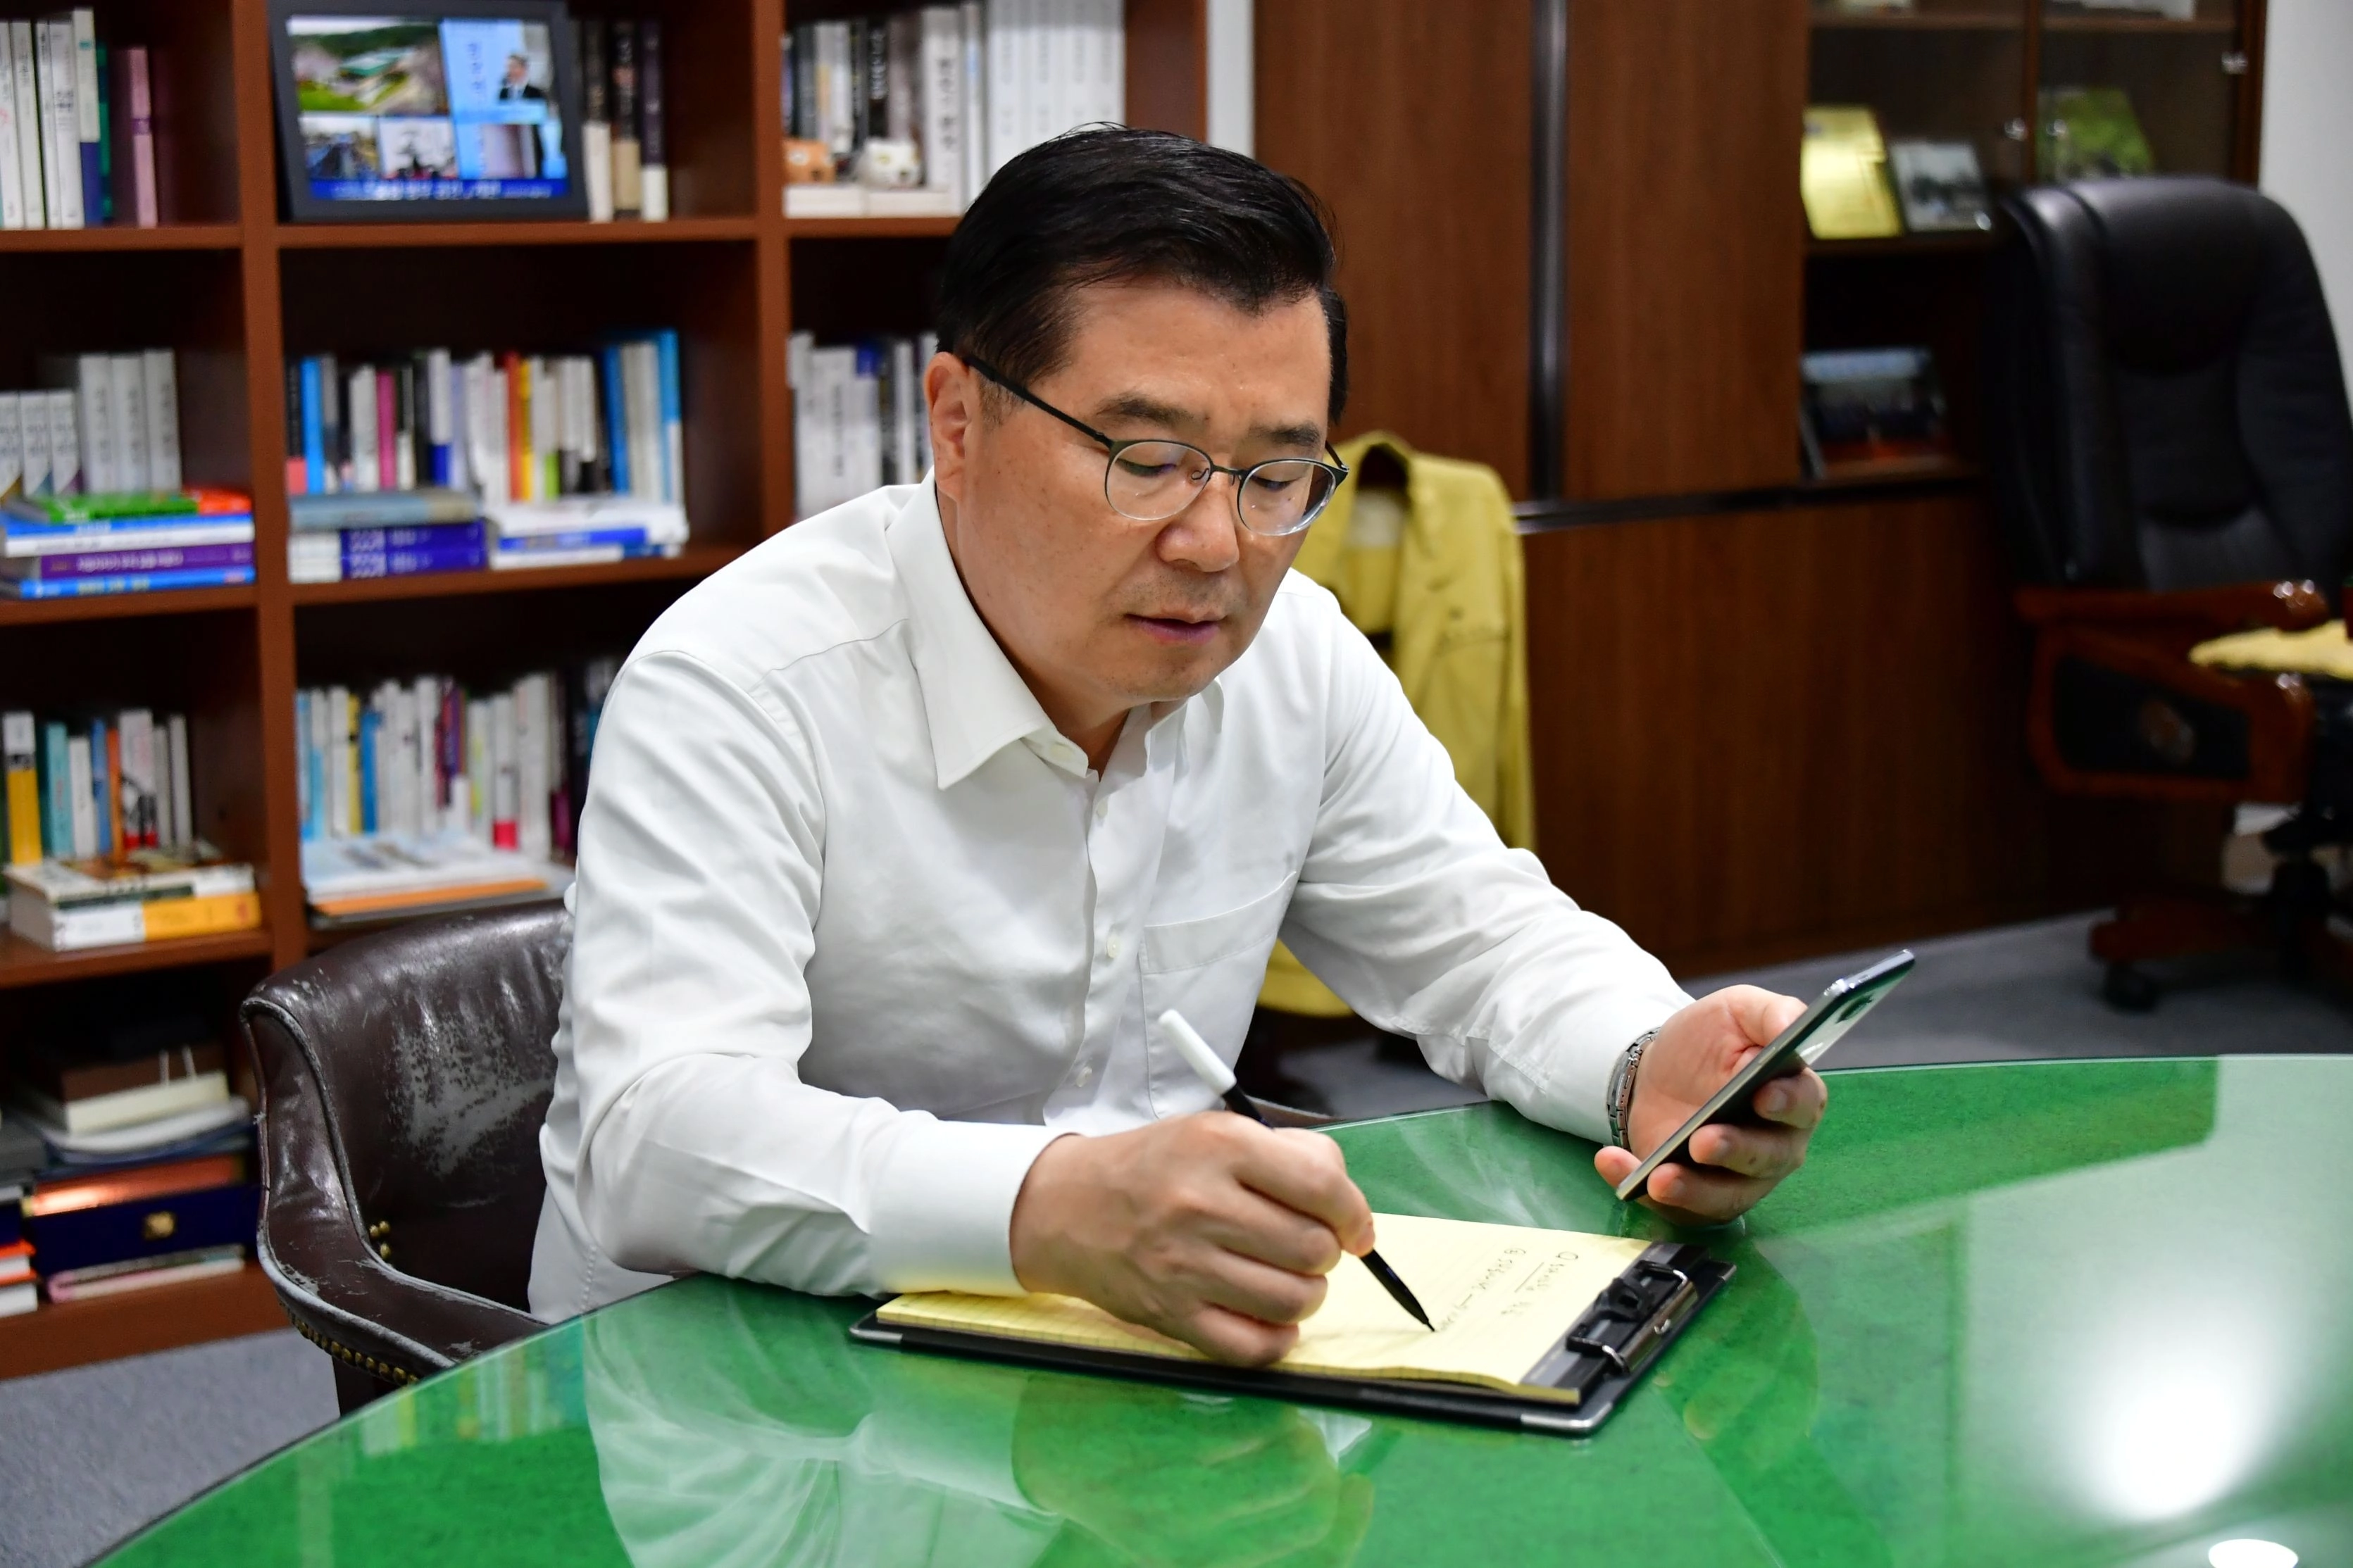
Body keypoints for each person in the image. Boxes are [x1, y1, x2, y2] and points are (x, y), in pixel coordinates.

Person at [529, 127, 1827, 1365]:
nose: (1216, 545)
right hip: (729, 1397)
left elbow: (1483, 945)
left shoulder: (1290, 654)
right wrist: (1050, 1205)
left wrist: (1645, 1060)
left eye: (1276, 476)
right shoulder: (740, 684)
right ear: (958, 422)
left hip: (1123, 1360)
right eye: (1148, 459)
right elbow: (659, 1134)